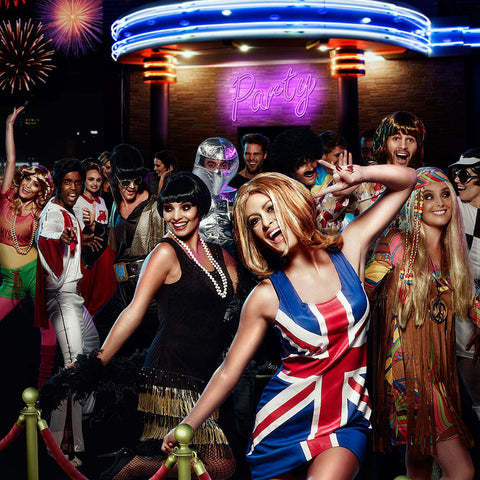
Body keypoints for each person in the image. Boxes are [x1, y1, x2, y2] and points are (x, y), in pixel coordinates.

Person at [163, 164, 417, 480]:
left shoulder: (350, 248)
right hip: (283, 423)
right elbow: (229, 370)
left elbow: (407, 181)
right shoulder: (266, 296)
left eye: (271, 208)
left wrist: (361, 174)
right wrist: (188, 424)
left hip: (347, 416)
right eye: (255, 221)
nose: (266, 223)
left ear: (292, 202)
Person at [97, 172, 238, 480]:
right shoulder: (164, 252)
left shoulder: (220, 255)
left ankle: (129, 465)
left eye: (185, 207)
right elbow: (133, 311)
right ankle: (125, 470)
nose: (176, 216)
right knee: (216, 464)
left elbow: (239, 304)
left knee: (194, 463)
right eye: (168, 208)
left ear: (200, 209)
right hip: (169, 374)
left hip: (206, 376)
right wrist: (97, 362)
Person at [364, 167, 477, 480]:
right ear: (414, 204)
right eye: (428, 196)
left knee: (420, 462)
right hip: (407, 372)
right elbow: (360, 293)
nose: (439, 203)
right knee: (462, 471)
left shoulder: (452, 250)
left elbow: (467, 298)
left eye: (445, 195)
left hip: (437, 369)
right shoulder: (396, 243)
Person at [35, 157, 101, 466]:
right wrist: (60, 241)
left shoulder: (67, 211)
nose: (74, 187)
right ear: (57, 184)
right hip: (61, 298)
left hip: (73, 298)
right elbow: (47, 239)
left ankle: (82, 411)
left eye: (78, 182)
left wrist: (83, 237)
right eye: (68, 182)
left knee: (93, 350)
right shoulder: (53, 214)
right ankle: (63, 445)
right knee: (73, 366)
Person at [0, 106, 56, 387]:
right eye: (27, 179)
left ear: (39, 191)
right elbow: (11, 159)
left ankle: (46, 385)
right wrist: (10, 125)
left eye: (36, 184)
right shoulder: (6, 196)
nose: (28, 185)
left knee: (47, 328)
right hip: (10, 279)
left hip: (34, 274)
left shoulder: (39, 211)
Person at [93, 144, 166, 350]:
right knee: (97, 332)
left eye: (136, 180)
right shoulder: (116, 205)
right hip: (122, 289)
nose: (132, 186)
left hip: (149, 293)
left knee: (147, 348)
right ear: (115, 177)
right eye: (126, 181)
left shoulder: (154, 208)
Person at [449, 148, 480, 421]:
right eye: (455, 173)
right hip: (464, 299)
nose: (457, 180)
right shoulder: (456, 208)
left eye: (465, 174)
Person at [73, 159, 116, 316]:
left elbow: (105, 229)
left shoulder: (102, 201)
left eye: (98, 180)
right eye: (91, 179)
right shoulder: (77, 201)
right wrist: (84, 237)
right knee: (84, 301)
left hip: (104, 256)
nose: (95, 183)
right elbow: (75, 229)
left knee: (104, 301)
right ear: (83, 180)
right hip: (86, 257)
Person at [192, 137, 239, 253]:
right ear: (201, 165)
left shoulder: (236, 195)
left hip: (230, 257)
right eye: (211, 164)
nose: (217, 171)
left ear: (229, 166)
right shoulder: (191, 193)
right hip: (197, 255)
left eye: (223, 165)